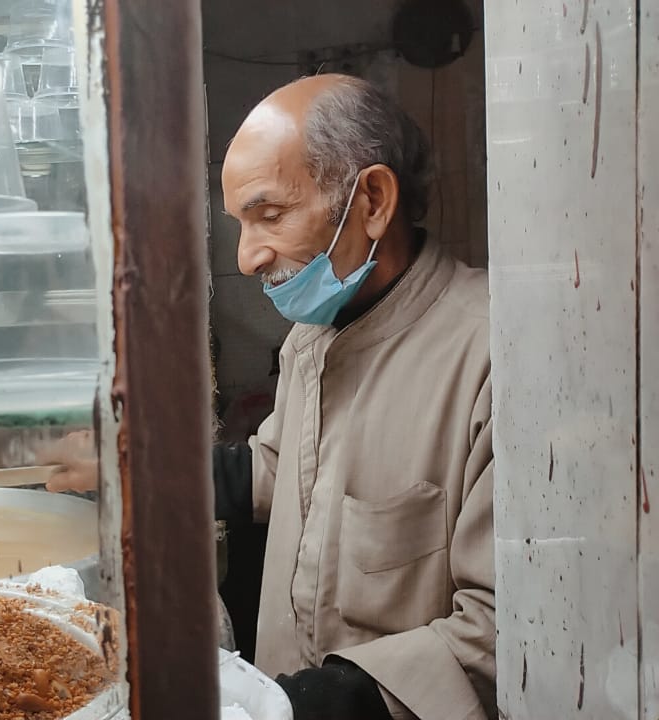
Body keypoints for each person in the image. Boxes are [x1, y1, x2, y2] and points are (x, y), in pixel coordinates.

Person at [40, 73, 495, 720]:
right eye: (241, 225)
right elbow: (284, 470)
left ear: (372, 200)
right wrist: (137, 469)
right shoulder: (314, 336)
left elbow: (502, 630)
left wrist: (305, 705)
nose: (248, 258)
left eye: (270, 215)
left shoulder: (493, 358)